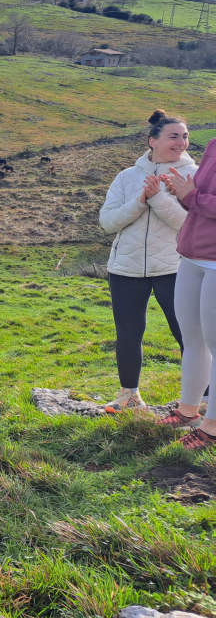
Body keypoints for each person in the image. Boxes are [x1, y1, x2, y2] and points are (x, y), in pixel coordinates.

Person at [98, 110, 197, 412]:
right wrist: (141, 200)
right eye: (173, 136)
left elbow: (189, 225)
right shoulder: (127, 177)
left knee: (189, 335)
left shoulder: (193, 176)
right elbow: (108, 222)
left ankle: (202, 401)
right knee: (128, 334)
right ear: (152, 140)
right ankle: (129, 395)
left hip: (175, 267)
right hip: (126, 268)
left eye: (185, 136)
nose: (181, 142)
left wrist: (158, 198)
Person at [160, 133, 216, 448]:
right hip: (192, 254)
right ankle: (188, 411)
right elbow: (197, 197)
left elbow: (200, 198)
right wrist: (182, 193)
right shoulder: (213, 144)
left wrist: (192, 196)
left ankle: (211, 429)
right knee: (193, 339)